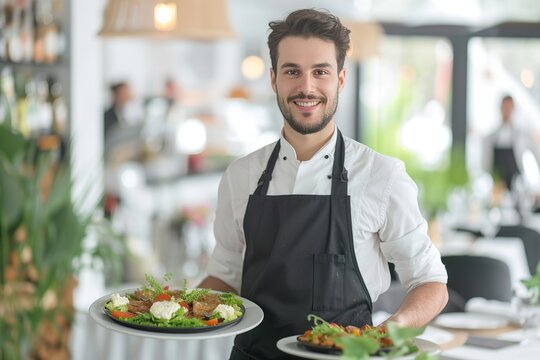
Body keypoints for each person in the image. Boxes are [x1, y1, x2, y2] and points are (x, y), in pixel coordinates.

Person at [198, 9, 448, 360]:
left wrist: (392, 329)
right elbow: (224, 278)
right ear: (273, 79)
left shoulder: (382, 175)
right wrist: (178, 309)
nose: (306, 87)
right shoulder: (241, 176)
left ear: (341, 79)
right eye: (292, 72)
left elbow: (430, 281)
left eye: (320, 72)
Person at [482, 95, 540, 192]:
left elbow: (537, 154)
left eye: (509, 108)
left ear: (513, 110)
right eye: (505, 108)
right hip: (497, 188)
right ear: (500, 109)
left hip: (517, 188)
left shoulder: (522, 136)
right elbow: (485, 166)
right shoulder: (491, 138)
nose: (507, 111)